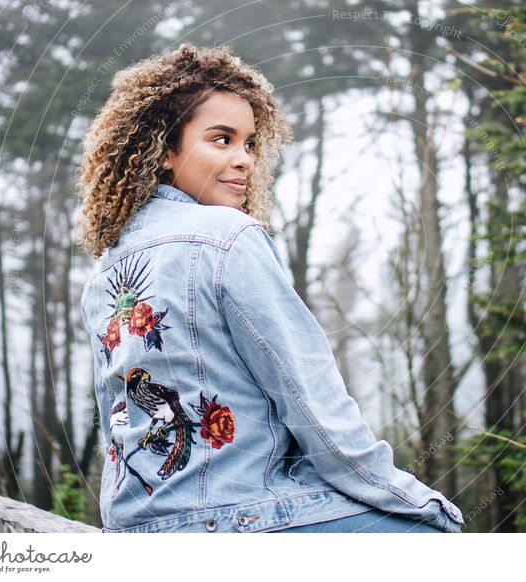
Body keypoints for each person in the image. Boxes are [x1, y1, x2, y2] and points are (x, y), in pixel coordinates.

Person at [76, 43, 464, 534]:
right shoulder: (229, 237)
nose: (245, 161)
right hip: (238, 519)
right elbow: (312, 405)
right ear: (165, 149)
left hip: (135, 528)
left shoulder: (106, 270)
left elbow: (119, 421)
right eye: (222, 139)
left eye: (250, 144)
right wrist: (415, 501)